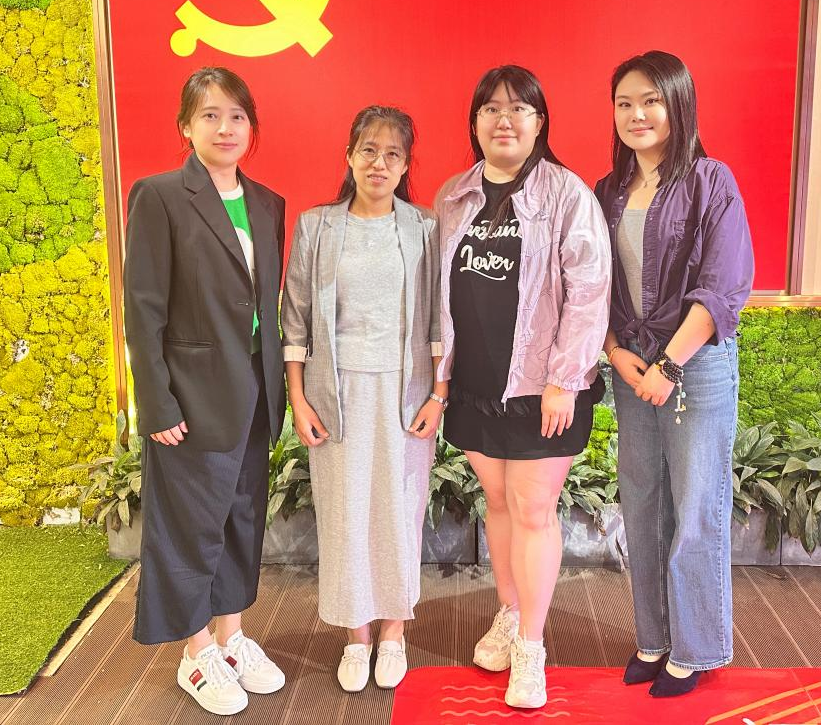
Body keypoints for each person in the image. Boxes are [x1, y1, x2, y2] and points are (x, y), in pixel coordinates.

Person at [435, 65, 611, 709]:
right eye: (490, 109)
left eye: (518, 109)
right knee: (500, 503)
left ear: (541, 122)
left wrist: (565, 379)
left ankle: (532, 647)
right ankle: (509, 615)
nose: (503, 120)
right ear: (474, 122)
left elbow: (590, 291)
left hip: (544, 389)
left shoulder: (567, 194)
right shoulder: (454, 195)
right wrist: (440, 378)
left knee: (534, 508)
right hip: (475, 384)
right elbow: (437, 293)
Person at [124, 67, 287, 716]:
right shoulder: (160, 196)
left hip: (254, 390)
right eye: (210, 115)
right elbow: (143, 309)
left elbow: (265, 307)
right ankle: (195, 652)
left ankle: (231, 638)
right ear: (186, 127)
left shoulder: (269, 203)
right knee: (189, 526)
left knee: (241, 518)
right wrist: (156, 401)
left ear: (252, 127)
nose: (225, 128)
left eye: (237, 116)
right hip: (189, 398)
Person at [594, 51, 753, 699]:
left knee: (695, 508)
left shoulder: (711, 181)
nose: (637, 114)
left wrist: (668, 364)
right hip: (634, 367)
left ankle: (695, 648)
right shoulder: (608, 191)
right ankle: (654, 639)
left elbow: (723, 287)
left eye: (651, 101)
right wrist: (613, 349)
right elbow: (593, 286)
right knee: (643, 504)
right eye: (625, 103)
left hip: (694, 366)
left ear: (678, 104)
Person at [282, 106, 447, 693]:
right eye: (369, 150)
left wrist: (439, 393)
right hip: (336, 392)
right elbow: (295, 318)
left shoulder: (424, 227)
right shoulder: (317, 226)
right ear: (349, 156)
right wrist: (298, 398)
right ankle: (356, 635)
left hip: (406, 393)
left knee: (399, 511)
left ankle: (394, 631)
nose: (379, 163)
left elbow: (440, 318)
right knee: (346, 512)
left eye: (393, 154)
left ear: (405, 165)